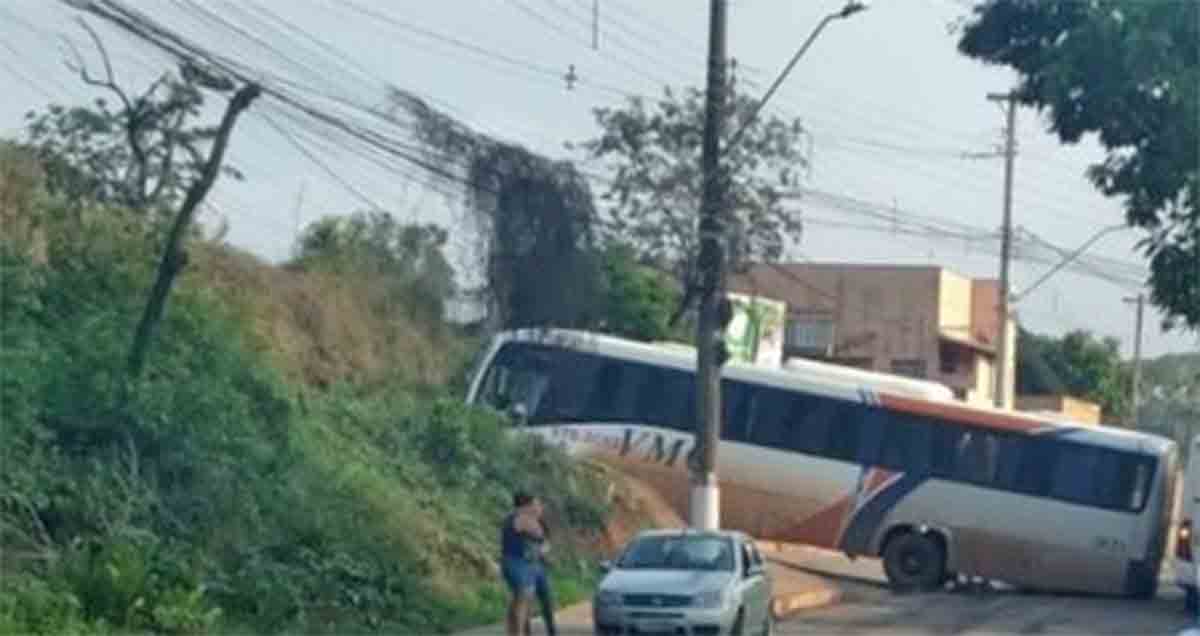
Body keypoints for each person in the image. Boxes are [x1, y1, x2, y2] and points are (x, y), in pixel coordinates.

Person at [501, 491, 545, 636]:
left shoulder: (511, 517)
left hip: (512, 561)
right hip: (516, 562)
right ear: (526, 505)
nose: (537, 507)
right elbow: (539, 533)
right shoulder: (523, 518)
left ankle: (512, 631)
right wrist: (536, 516)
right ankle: (519, 632)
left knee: (518, 598)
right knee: (523, 598)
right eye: (535, 504)